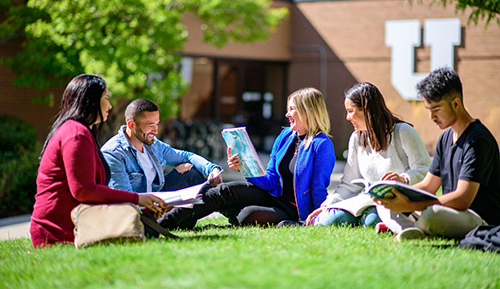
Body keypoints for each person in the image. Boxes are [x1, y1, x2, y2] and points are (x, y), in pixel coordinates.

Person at [159, 87, 335, 228]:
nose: (287, 114)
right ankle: (163, 224)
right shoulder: (285, 136)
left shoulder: (322, 144)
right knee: (222, 191)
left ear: (308, 111)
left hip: (293, 210)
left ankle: (224, 220)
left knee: (247, 216)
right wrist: (243, 167)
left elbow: (318, 187)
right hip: (272, 195)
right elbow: (271, 180)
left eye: (292, 109)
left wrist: (315, 220)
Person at [30, 74, 167, 248]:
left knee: (146, 223)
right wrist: (137, 198)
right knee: (144, 226)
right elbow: (83, 190)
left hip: (77, 222)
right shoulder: (76, 134)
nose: (109, 105)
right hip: (57, 232)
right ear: (91, 100)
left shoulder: (78, 131)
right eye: (106, 98)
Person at [375, 68, 500, 241]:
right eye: (428, 109)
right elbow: (428, 186)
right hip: (450, 211)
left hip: (479, 219)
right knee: (386, 204)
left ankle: (410, 227)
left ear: (456, 103)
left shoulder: (478, 140)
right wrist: (396, 192)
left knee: (432, 215)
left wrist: (411, 205)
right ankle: (413, 229)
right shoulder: (445, 138)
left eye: (436, 109)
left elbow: (463, 198)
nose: (431, 116)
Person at [306, 82, 431, 228]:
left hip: (397, 198)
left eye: (350, 111)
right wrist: (327, 205)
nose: (347, 117)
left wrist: (404, 179)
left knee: (371, 221)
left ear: (366, 109)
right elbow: (349, 184)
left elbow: (426, 169)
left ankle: (374, 218)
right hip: (367, 199)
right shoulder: (356, 138)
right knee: (328, 220)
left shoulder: (403, 132)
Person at [101, 98, 222, 194]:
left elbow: (186, 156)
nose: (156, 130)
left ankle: (231, 214)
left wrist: (212, 169)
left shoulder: (153, 144)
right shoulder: (114, 153)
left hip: (157, 202)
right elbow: (124, 200)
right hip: (140, 212)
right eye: (150, 125)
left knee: (190, 172)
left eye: (157, 124)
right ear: (132, 125)